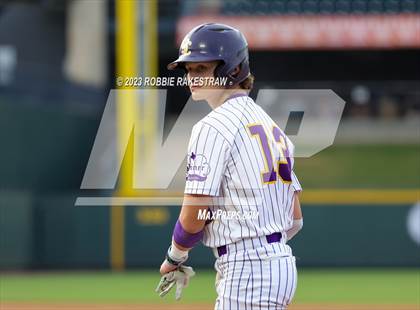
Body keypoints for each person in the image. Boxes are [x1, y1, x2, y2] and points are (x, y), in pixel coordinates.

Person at [156, 23, 303, 309]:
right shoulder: (273, 127)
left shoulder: (212, 127)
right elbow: (295, 217)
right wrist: (267, 240)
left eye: (201, 68)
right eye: (188, 70)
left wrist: (175, 256)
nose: (192, 77)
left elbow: (194, 214)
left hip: (248, 266)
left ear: (233, 70)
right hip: (279, 263)